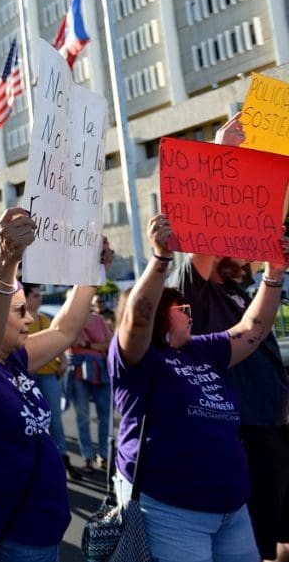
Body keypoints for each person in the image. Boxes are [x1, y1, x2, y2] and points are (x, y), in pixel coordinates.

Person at [0, 208, 112, 562]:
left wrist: (92, 270)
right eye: (18, 310)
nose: (29, 317)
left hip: (38, 531)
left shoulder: (12, 358)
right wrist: (6, 259)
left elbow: (65, 330)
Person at [110, 213, 288, 562]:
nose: (190, 314)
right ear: (162, 315)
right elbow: (139, 316)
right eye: (182, 309)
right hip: (174, 513)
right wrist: (161, 257)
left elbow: (252, 327)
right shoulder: (138, 361)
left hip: (231, 511)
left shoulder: (202, 348)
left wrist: (275, 273)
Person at [176, 112, 289, 562]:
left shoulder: (247, 288)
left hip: (274, 423)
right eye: (236, 230)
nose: (248, 235)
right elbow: (206, 231)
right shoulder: (196, 290)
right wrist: (226, 160)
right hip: (240, 431)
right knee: (255, 538)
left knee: (278, 530)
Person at [26, 283, 80, 481]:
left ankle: (63, 459)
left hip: (48, 375)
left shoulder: (45, 319)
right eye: (35, 295)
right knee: (31, 420)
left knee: (54, 417)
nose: (39, 299)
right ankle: (37, 463)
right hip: (27, 377)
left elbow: (58, 343)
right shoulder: (18, 321)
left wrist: (64, 362)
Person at [68, 300, 113, 472]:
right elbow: (70, 343)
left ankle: (103, 454)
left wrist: (87, 345)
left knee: (105, 416)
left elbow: (110, 343)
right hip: (79, 371)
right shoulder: (71, 321)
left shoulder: (99, 320)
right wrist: (97, 347)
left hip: (100, 370)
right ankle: (87, 457)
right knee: (83, 416)